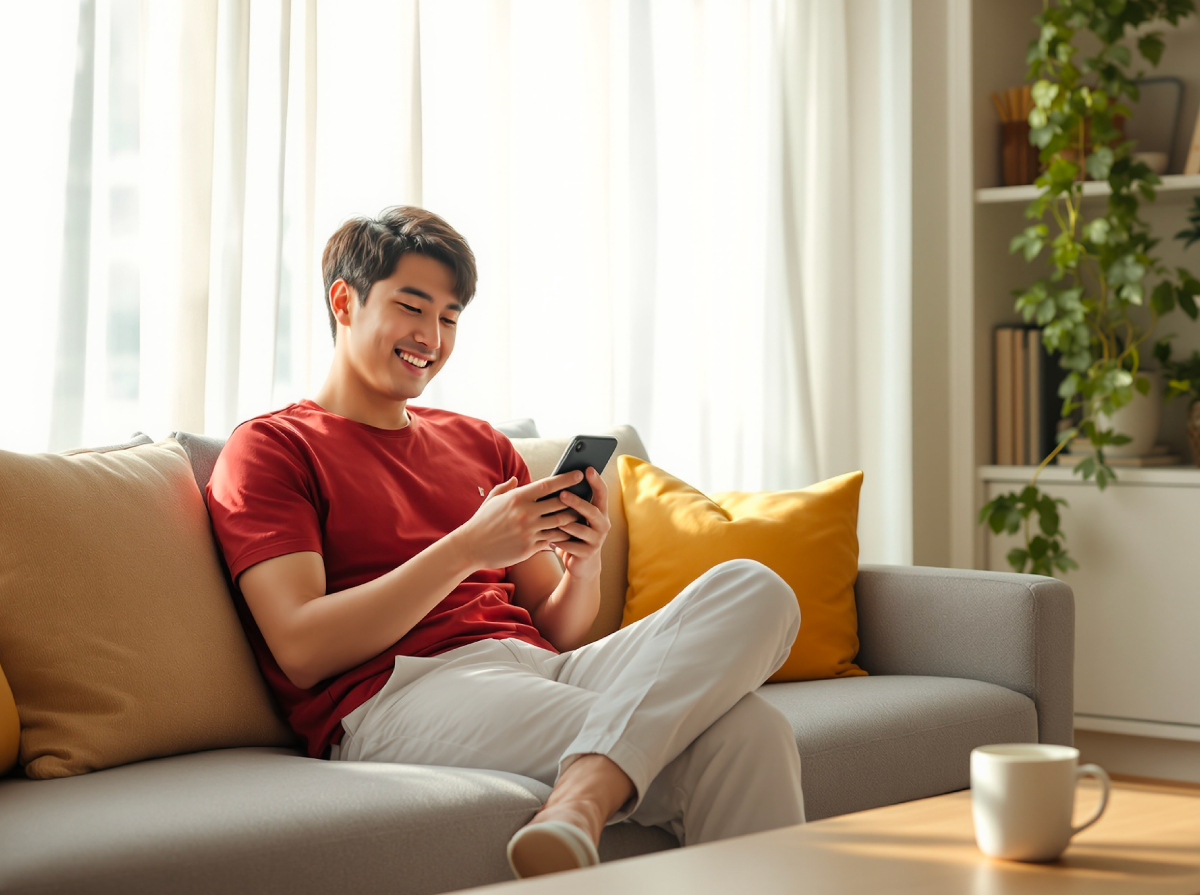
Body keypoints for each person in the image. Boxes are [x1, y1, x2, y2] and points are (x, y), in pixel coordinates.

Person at [206, 205, 806, 879]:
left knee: (756, 588)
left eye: (450, 317)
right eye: (412, 307)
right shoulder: (273, 447)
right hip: (400, 692)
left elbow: (556, 628)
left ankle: (582, 793)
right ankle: (585, 791)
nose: (432, 336)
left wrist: (583, 567)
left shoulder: (478, 441)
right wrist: (466, 548)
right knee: (745, 733)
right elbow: (302, 647)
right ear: (344, 301)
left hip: (536, 668)